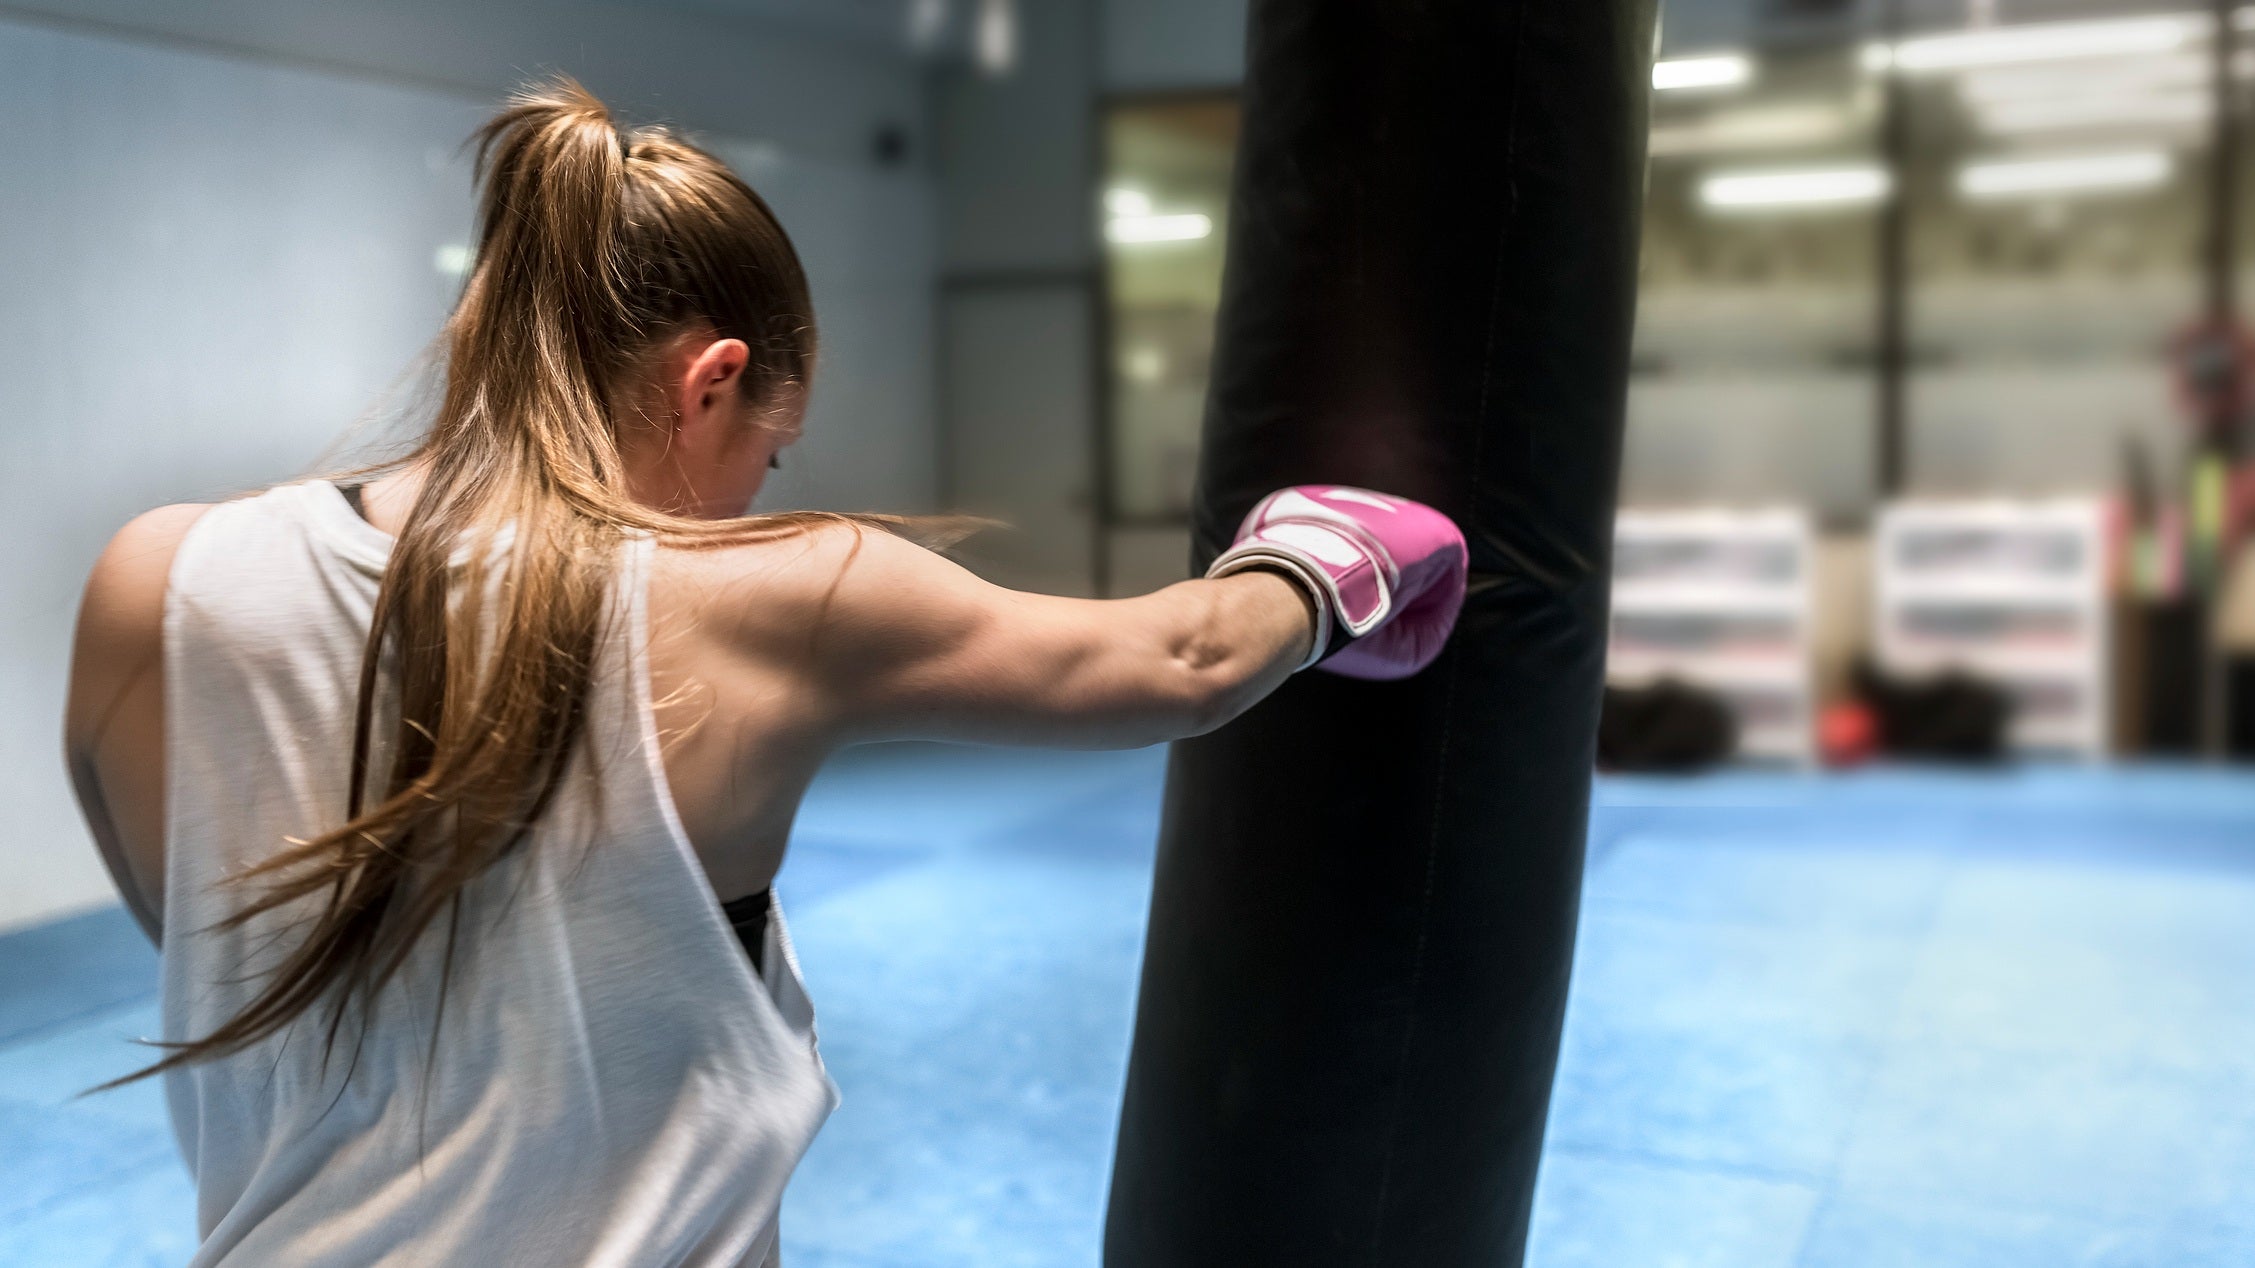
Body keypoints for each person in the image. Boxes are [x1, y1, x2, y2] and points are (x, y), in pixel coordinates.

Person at [62, 79, 1466, 1267]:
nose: (753, 498)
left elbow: (204, 927)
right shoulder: (763, 591)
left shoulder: (158, 577)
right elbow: (1183, 658)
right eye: (766, 454)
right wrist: (1340, 553)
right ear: (711, 380)